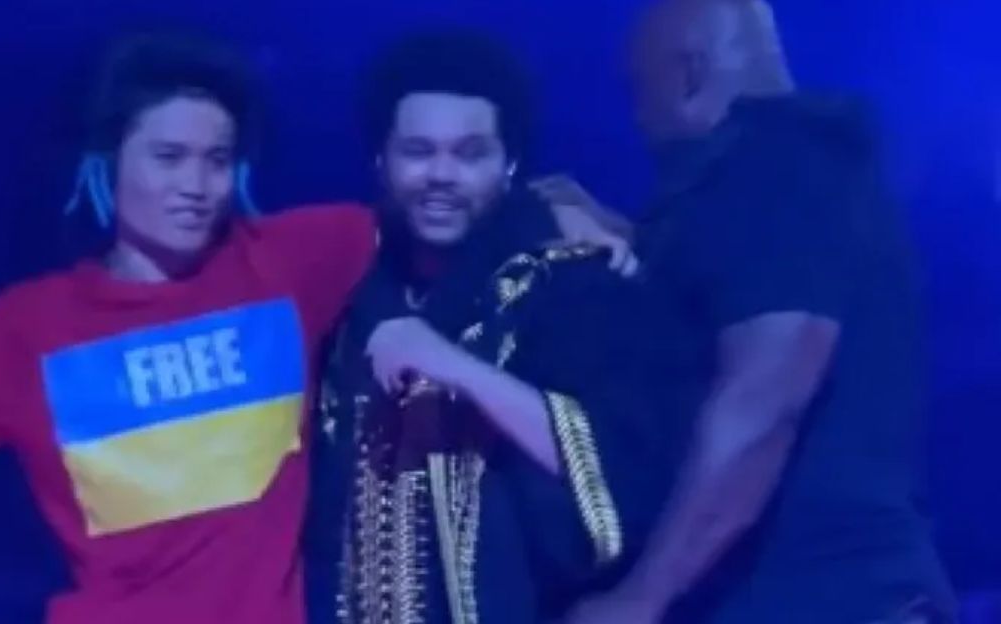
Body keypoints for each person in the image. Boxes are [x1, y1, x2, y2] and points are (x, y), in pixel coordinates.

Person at [0, 32, 382, 624]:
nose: (196, 185)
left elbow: (427, 219)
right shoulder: (35, 327)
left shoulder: (288, 263)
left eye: (217, 160)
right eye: (168, 157)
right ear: (107, 161)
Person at [565, 1, 956, 622]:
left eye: (641, 92)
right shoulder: (805, 179)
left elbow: (764, 400)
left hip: (828, 595)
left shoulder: (775, 165)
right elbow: (728, 292)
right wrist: (625, 240)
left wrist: (640, 598)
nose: (638, 119)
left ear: (691, 73)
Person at [306, 30, 683, 624]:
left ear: (509, 165)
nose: (442, 174)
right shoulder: (344, 286)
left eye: (471, 154)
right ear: (381, 161)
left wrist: (454, 367)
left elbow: (625, 468)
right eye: (418, 151)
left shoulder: (573, 287)